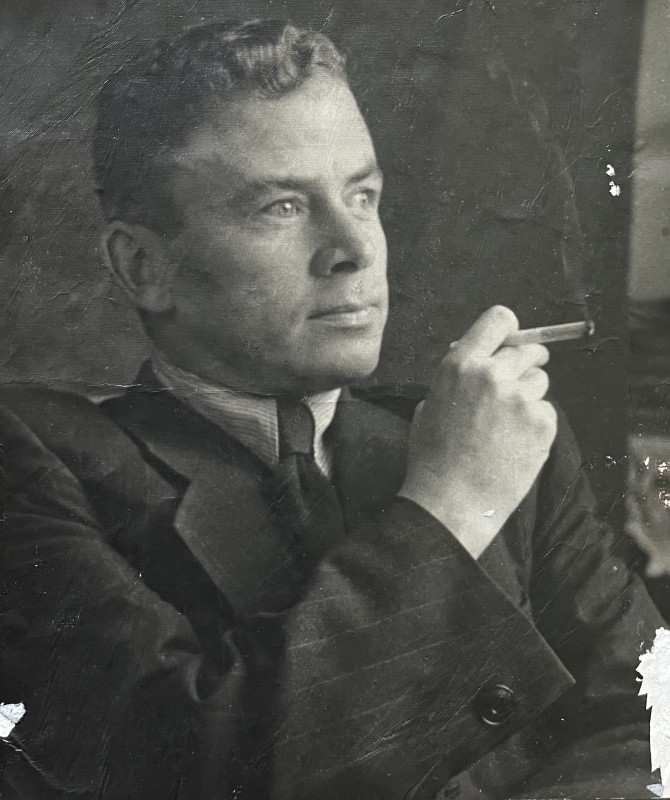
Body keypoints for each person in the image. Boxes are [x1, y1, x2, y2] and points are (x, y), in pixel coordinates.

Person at [0, 19, 662, 800]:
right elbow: (190, 764)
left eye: (363, 195)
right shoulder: (39, 462)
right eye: (282, 207)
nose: (356, 248)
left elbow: (650, 719)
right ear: (143, 266)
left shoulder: (503, 441)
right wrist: (449, 505)